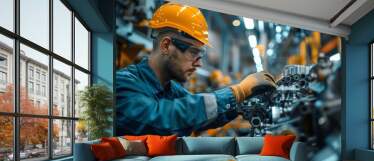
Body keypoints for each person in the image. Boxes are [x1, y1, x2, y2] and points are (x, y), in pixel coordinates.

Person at [116, 3, 276, 136]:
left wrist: (243, 103)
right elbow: (160, 118)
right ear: (166, 45)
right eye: (194, 53)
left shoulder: (171, 89)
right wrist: (237, 92)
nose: (199, 64)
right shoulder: (123, 83)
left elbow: (200, 116)